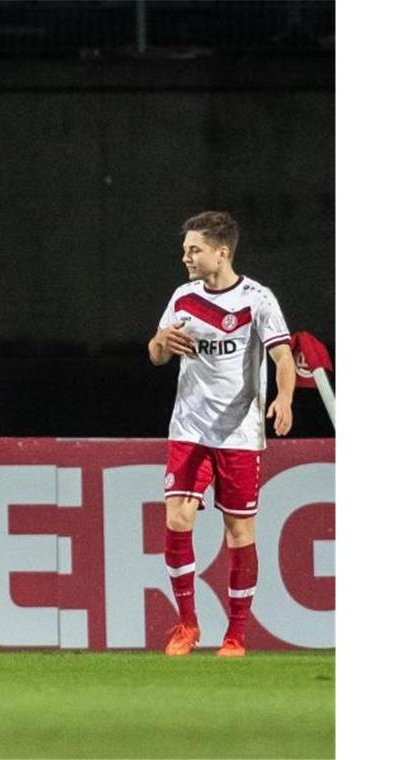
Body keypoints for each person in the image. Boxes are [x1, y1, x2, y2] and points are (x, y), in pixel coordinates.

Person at [148, 211, 295, 658]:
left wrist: (284, 398)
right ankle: (187, 624)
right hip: (189, 427)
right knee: (177, 519)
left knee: (238, 530)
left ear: (221, 252)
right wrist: (162, 344)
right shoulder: (184, 296)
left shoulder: (258, 300)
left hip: (238, 434)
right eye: (186, 249)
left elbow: (284, 358)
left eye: (195, 249)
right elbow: (155, 352)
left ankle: (235, 636)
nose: (186, 257)